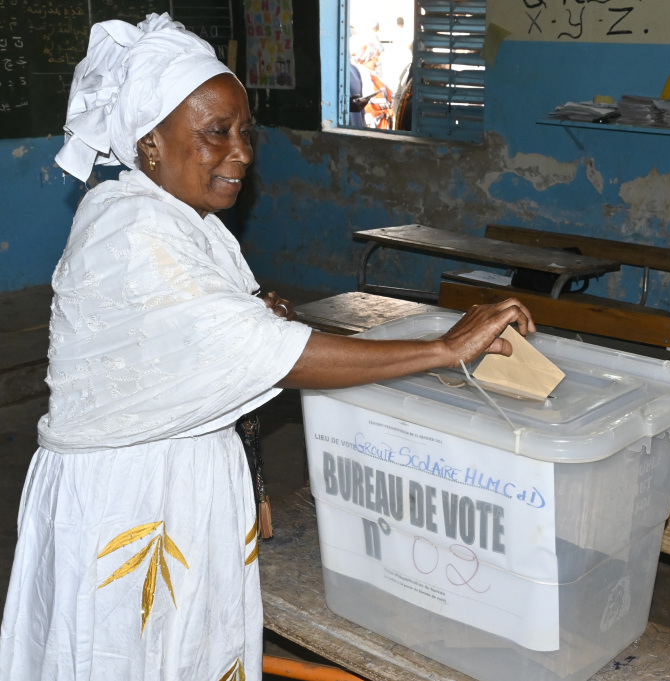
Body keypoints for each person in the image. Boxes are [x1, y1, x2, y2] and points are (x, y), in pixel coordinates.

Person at [0, 14, 534, 681]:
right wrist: (442, 346)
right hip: (130, 498)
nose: (242, 153)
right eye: (216, 132)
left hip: (175, 483)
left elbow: (207, 333)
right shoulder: (130, 229)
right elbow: (261, 349)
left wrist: (249, 314)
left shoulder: (180, 221)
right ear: (150, 141)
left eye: (245, 131)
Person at [350, 34, 393, 130]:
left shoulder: (375, 74)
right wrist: (387, 108)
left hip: (381, 122)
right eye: (377, 55)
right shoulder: (362, 73)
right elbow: (369, 100)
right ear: (370, 56)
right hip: (374, 123)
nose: (378, 58)